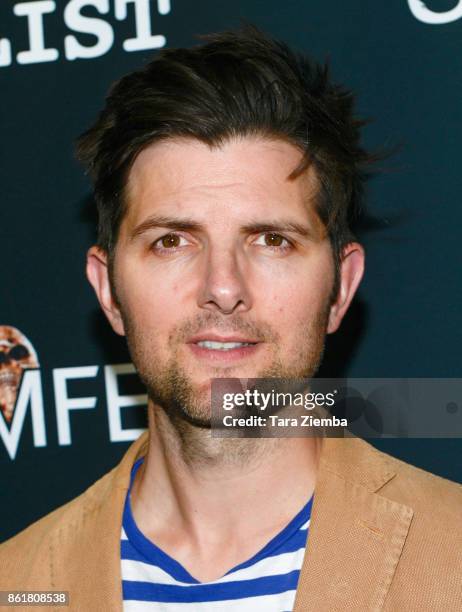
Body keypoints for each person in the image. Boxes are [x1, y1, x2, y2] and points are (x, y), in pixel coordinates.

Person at [1, 26, 461, 612]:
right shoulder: (17, 586)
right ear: (108, 289)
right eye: (171, 241)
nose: (223, 288)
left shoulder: (453, 557)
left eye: (271, 240)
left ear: (341, 288)